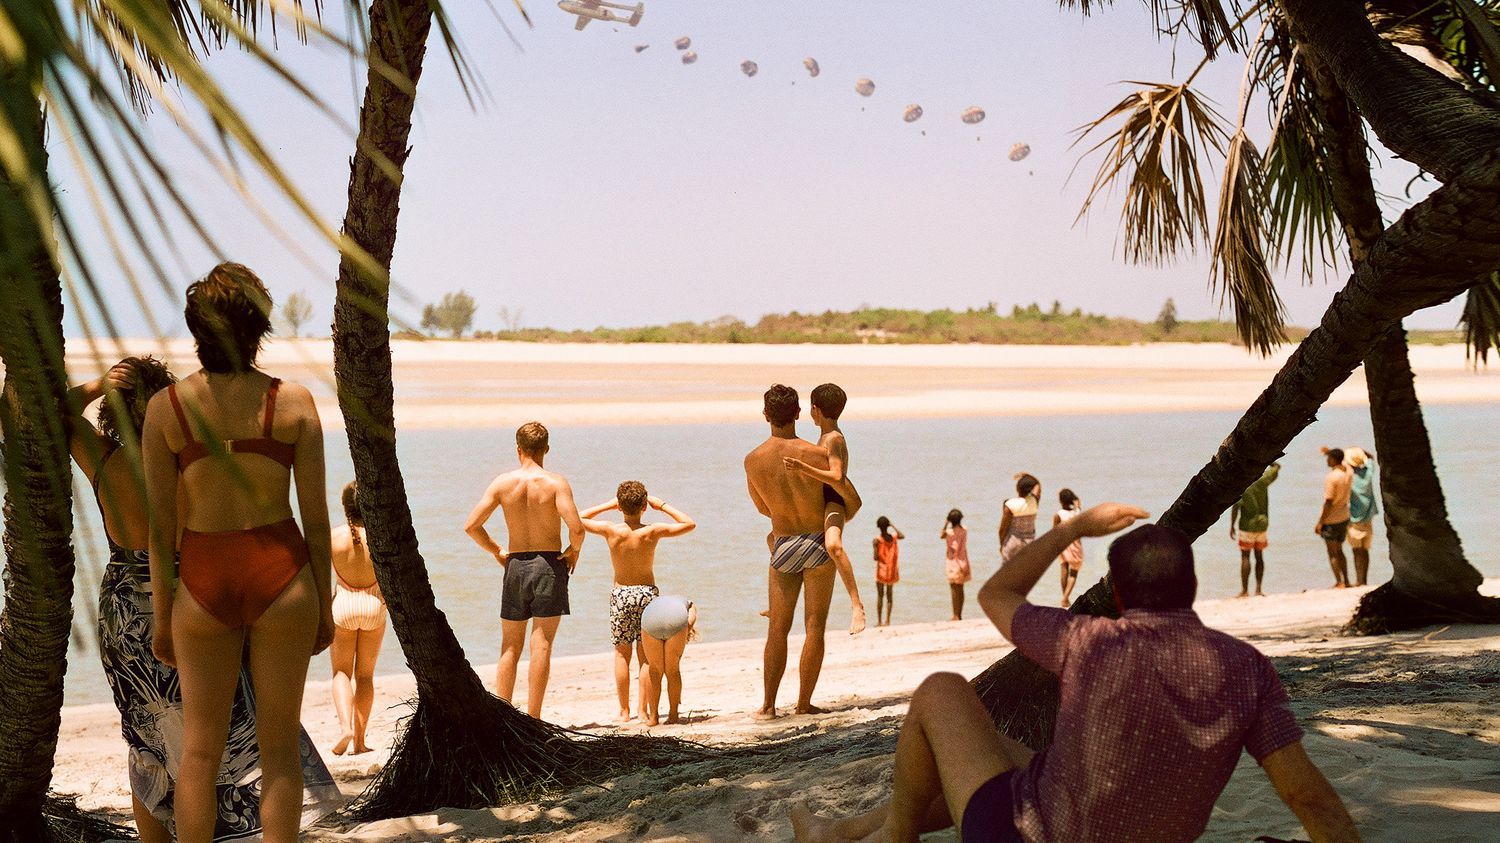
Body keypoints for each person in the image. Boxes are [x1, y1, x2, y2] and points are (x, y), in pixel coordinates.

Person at [791, 505, 1362, 843]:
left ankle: (896, 838)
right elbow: (1307, 795)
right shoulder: (1246, 669)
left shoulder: (1088, 640)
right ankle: (840, 833)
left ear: (1115, 594)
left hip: (1027, 837)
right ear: (1190, 590)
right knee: (1017, 756)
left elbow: (996, 593)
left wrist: (1072, 531)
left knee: (942, 691)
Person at [142, 263, 338, 843]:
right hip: (282, 569)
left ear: (197, 330)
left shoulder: (166, 410)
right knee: (279, 748)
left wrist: (161, 615)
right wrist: (323, 606)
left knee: (198, 753)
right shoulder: (293, 402)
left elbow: (159, 529)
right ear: (260, 326)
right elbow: (319, 521)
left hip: (204, 575)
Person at [464, 421, 585, 718]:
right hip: (549, 565)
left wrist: (497, 551)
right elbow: (577, 529)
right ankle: (533, 718)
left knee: (509, 646)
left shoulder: (503, 483)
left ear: (518, 449)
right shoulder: (556, 483)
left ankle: (503, 715)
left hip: (515, 565)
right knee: (541, 645)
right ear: (546, 449)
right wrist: (573, 552)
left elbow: (472, 526)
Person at [745, 384, 839, 718]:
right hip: (816, 543)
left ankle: (769, 705)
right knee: (815, 628)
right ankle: (803, 703)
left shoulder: (753, 460)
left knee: (777, 630)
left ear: (766, 415)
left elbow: (761, 508)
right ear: (798, 413)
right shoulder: (817, 455)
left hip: (784, 545)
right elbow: (836, 496)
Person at [579, 481, 696, 724]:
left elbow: (577, 518)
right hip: (646, 595)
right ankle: (643, 711)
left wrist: (610, 506)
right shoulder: (651, 531)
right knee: (646, 657)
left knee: (622, 655)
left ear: (620, 506)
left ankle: (624, 711)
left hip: (621, 595)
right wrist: (661, 505)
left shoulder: (611, 531)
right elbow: (688, 523)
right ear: (645, 506)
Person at [782, 382, 868, 635]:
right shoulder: (824, 437)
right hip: (820, 499)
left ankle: (857, 605)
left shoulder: (834, 439)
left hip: (834, 499)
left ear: (815, 410)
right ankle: (777, 603)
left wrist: (802, 468)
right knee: (776, 537)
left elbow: (837, 476)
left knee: (833, 544)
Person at [329, 481, 387, 756]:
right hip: (374, 605)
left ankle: (344, 728)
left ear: (345, 508)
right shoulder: (381, 538)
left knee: (341, 672)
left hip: (343, 605)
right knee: (365, 676)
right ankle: (360, 742)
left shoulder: (335, 537)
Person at [640, 595, 699, 725]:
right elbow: (690, 620)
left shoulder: (657, 602)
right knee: (672, 670)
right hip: (676, 617)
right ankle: (673, 715)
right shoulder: (689, 604)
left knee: (654, 670)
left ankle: (653, 718)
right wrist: (685, 632)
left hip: (650, 617)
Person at [1230, 463, 1280, 598]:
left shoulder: (1242, 486)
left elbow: (1235, 508)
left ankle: (1245, 591)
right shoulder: (1262, 480)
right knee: (1259, 556)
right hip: (1262, 524)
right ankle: (1258, 590)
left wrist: (1232, 525)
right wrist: (1269, 461)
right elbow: (1276, 468)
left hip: (1247, 525)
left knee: (1245, 557)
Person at [1316, 448, 1354, 588]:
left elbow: (1328, 502)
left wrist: (1320, 522)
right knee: (1340, 551)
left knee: (1332, 553)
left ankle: (1339, 582)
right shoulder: (1348, 473)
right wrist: (1330, 451)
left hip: (1331, 520)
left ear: (1333, 460)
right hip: (1344, 517)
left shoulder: (1331, 477)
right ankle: (1347, 580)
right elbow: (1347, 463)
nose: (1327, 460)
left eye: (1329, 457)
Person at [1345, 448, 1378, 587]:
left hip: (1353, 518)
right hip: (1368, 517)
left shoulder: (1349, 476)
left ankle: (1358, 580)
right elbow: (1371, 459)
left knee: (1356, 551)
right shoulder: (1368, 473)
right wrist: (1362, 453)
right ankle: (1364, 580)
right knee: (1365, 550)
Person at [998, 473, 1041, 564]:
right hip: (1029, 543)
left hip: (1012, 543)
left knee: (1008, 574)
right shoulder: (1034, 501)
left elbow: (1003, 529)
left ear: (1017, 488)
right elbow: (1037, 484)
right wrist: (1027, 474)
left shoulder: (1010, 504)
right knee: (1025, 573)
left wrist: (1002, 544)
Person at [1053, 489, 1084, 607]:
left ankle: (1064, 598)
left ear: (1060, 501)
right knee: (1074, 572)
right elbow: (1078, 502)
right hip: (1075, 544)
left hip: (1062, 543)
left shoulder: (1058, 515)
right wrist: (1075, 501)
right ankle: (1065, 598)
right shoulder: (1077, 513)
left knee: (1064, 569)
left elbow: (1054, 532)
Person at [873, 516, 903, 627]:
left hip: (881, 571)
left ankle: (879, 621)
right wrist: (892, 525)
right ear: (887, 526)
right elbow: (902, 535)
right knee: (889, 596)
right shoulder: (893, 538)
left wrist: (875, 547)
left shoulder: (877, 540)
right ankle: (888, 621)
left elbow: (875, 558)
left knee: (880, 596)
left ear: (878, 527)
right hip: (891, 572)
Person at [942, 509, 971, 621]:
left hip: (952, 561)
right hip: (963, 560)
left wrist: (946, 522)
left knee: (953, 589)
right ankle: (960, 614)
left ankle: (955, 614)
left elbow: (941, 535)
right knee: (961, 589)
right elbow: (962, 527)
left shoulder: (949, 532)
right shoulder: (965, 530)